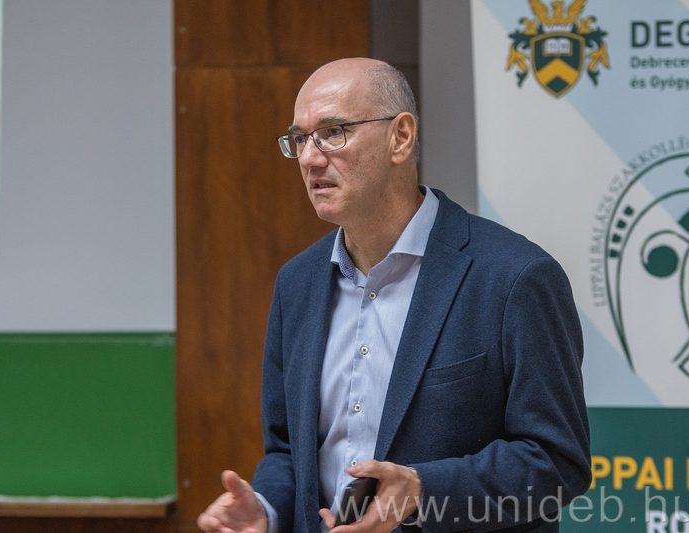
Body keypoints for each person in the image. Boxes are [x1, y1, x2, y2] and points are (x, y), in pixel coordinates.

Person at [197, 57, 591, 533]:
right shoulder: (296, 284)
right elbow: (287, 451)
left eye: (333, 132)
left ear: (400, 137)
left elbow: (556, 460)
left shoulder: (514, 278)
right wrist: (266, 508)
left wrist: (423, 491)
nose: (309, 159)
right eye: (300, 139)